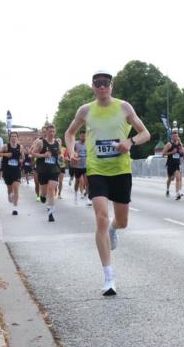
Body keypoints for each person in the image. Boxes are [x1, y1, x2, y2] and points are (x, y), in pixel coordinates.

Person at [65, 71, 151, 296]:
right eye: (98, 84)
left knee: (121, 221)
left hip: (121, 170)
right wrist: (71, 150)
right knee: (101, 217)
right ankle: (109, 276)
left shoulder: (124, 107)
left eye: (105, 83)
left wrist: (130, 142)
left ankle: (115, 229)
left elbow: (145, 133)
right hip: (97, 170)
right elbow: (70, 133)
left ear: (111, 86)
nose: (102, 87)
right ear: (93, 87)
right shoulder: (85, 110)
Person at [31, 124, 62, 221]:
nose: (52, 133)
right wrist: (44, 155)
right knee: (44, 193)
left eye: (53, 131)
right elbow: (33, 153)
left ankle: (50, 213)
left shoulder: (57, 143)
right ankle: (42, 196)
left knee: (52, 190)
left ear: (55, 132)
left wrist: (62, 158)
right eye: (50, 131)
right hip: (43, 170)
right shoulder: (41, 142)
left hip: (54, 170)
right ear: (46, 132)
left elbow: (59, 154)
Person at [0, 132, 23, 215]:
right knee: (10, 189)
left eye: (15, 136)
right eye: (12, 136)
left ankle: (15, 208)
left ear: (17, 138)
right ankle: (9, 194)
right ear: (10, 138)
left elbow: (22, 157)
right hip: (7, 170)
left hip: (16, 170)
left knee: (16, 187)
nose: (13, 138)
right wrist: (6, 154)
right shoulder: (6, 146)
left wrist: (21, 160)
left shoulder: (20, 147)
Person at [162, 129, 184, 199]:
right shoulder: (169, 144)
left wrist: (182, 153)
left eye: (177, 136)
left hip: (177, 164)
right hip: (170, 164)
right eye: (174, 136)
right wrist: (172, 152)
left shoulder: (179, 144)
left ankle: (177, 193)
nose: (176, 137)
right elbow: (163, 154)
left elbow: (182, 152)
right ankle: (167, 189)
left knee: (178, 178)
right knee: (171, 179)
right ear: (172, 137)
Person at [71, 131, 89, 205]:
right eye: (82, 136)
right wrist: (75, 153)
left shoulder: (88, 144)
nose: (83, 138)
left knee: (87, 182)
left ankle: (87, 198)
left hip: (86, 165)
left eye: (84, 136)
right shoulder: (76, 144)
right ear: (79, 136)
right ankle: (75, 196)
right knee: (77, 182)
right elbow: (72, 152)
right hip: (78, 166)